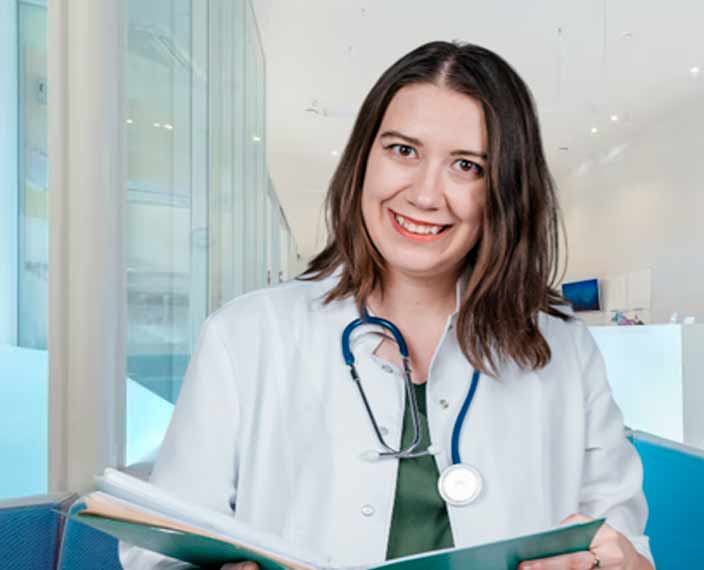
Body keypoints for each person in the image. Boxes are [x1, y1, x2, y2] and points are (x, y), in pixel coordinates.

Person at [121, 40, 653, 570]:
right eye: (403, 151)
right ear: (363, 159)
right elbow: (159, 552)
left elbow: (625, 542)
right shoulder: (246, 335)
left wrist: (613, 564)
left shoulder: (563, 347)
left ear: (506, 190)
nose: (425, 195)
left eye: (466, 165)